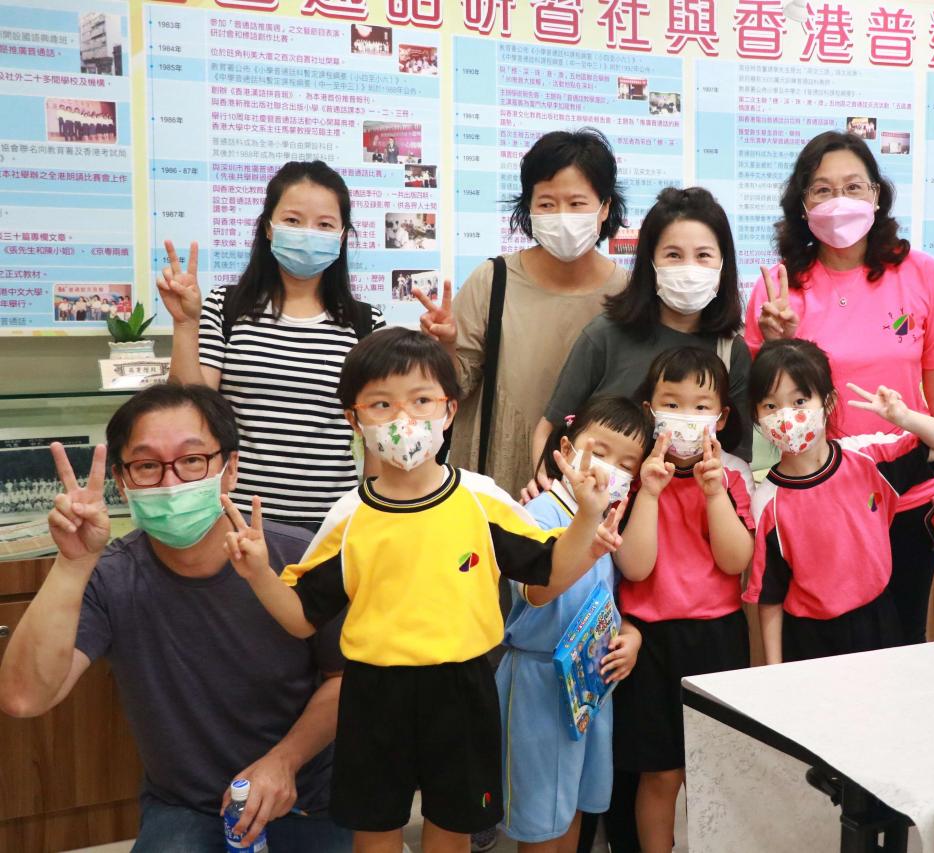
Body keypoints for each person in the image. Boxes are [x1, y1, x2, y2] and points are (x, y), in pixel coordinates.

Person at [221, 327, 625, 853]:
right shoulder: (349, 516)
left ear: (449, 410)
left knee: (452, 830)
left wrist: (587, 517)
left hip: (462, 688)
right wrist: (258, 573)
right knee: (375, 831)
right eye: (381, 404)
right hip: (372, 693)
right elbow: (301, 618)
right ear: (354, 420)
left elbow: (548, 569)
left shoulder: (481, 499)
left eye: (421, 400)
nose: (403, 419)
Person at [0, 384, 349, 852]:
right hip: (187, 805)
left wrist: (285, 761)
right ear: (122, 481)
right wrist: (72, 564)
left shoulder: (298, 559)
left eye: (192, 460)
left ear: (229, 469)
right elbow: (24, 698)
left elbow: (345, 678)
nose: (171, 483)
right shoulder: (111, 576)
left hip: (309, 796)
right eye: (147, 466)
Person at [744, 131, 934, 646]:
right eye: (822, 189)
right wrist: (777, 343)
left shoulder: (919, 273)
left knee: (902, 642)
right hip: (820, 501)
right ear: (802, 203)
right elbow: (768, 405)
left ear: (877, 195)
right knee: (825, 648)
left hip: (909, 491)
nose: (839, 200)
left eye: (854, 186)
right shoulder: (777, 289)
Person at [157, 160, 388, 530]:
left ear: (343, 235)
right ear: (268, 226)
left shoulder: (366, 324)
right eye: (293, 220)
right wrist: (185, 324)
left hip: (332, 524)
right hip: (234, 519)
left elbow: (377, 434)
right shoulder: (225, 307)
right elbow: (191, 410)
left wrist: (378, 515)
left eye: (324, 224)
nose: (308, 233)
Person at [421, 129, 628, 498]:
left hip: (592, 495)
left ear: (605, 207)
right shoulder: (493, 280)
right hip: (495, 487)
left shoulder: (628, 294)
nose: (562, 216)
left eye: (577, 203)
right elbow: (455, 388)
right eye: (546, 204)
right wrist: (446, 345)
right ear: (528, 208)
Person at [612, 347, 754, 853]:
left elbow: (736, 562)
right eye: (672, 404)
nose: (686, 417)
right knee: (659, 774)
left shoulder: (730, 480)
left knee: (713, 771)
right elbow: (635, 567)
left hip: (716, 639)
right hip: (648, 643)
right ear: (650, 411)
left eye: (700, 406)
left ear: (721, 418)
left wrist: (714, 495)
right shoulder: (633, 483)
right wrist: (650, 493)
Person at [745, 340, 934, 663]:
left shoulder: (868, 457)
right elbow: (771, 596)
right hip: (808, 637)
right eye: (771, 406)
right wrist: (774, 670)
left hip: (877, 620)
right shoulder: (767, 501)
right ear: (757, 415)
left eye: (800, 401)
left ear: (828, 402)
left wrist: (904, 417)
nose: (787, 416)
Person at [534, 186, 752, 501]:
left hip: (691, 519)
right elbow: (550, 429)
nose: (689, 267)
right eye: (673, 255)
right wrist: (548, 490)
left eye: (703, 255)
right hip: (599, 514)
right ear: (650, 261)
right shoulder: (605, 335)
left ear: (723, 263)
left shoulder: (731, 351)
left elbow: (736, 459)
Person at [498, 395, 648, 852]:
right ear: (566, 448)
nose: (609, 470)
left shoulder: (609, 522)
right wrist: (586, 530)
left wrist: (631, 636)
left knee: (575, 809)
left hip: (589, 688)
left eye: (626, 464)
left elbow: (609, 602)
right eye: (599, 452)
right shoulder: (537, 515)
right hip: (539, 685)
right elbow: (536, 591)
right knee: (542, 819)